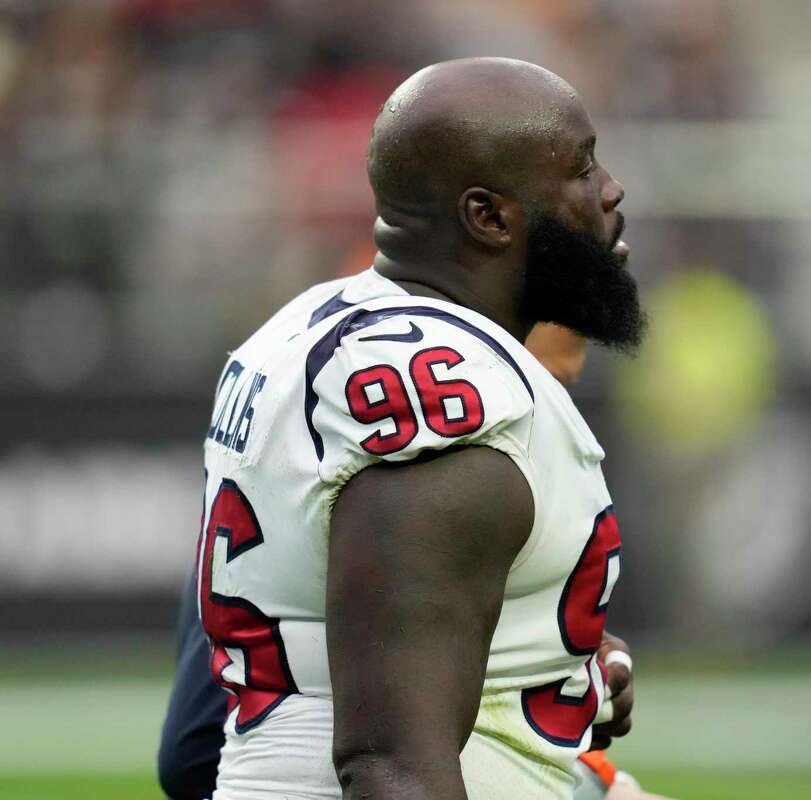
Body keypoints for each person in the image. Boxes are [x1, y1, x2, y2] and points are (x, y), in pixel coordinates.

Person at [176, 57, 649, 799]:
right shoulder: (448, 398)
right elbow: (392, 764)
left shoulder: (306, 326)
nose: (611, 189)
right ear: (489, 217)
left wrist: (557, 655)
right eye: (582, 168)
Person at [158, 325, 659, 800]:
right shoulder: (416, 429)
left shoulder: (320, 358)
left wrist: (555, 653)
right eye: (541, 392)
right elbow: (200, 751)